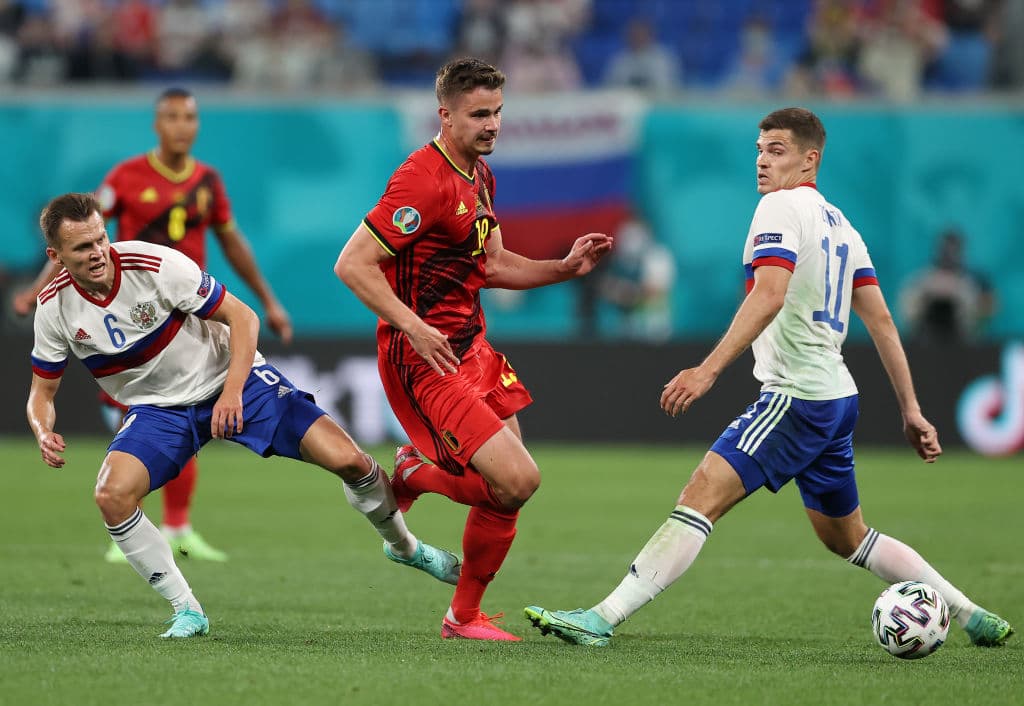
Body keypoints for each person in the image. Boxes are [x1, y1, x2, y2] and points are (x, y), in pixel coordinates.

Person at [524, 107, 1014, 649]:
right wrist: (911, 408)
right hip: (837, 399)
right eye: (759, 148)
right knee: (847, 537)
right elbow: (882, 322)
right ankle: (969, 614)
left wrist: (706, 371)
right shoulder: (842, 227)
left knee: (701, 493)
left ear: (811, 160)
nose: (761, 160)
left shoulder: (779, 208)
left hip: (797, 398)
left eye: (776, 150)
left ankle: (602, 617)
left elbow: (770, 293)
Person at [27, 192, 460, 638]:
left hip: (235, 381)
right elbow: (42, 391)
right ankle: (187, 610)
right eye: (83, 247)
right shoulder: (54, 308)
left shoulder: (155, 266)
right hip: (160, 410)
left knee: (350, 461)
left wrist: (231, 393)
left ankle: (405, 547)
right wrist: (42, 429)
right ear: (55, 255)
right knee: (111, 495)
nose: (99, 253)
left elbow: (244, 318)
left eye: (101, 239)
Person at [334, 57, 612, 641]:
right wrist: (411, 325)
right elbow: (353, 264)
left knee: (508, 493)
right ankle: (414, 471)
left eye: (498, 112)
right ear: (445, 115)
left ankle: (462, 617)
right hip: (426, 359)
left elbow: (490, 264)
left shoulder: (479, 175)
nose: (492, 124)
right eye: (479, 114)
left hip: (472, 347)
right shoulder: (422, 180)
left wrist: (565, 267)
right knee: (519, 480)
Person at [15, 87, 292, 563]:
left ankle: (177, 526)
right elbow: (72, 244)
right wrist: (34, 289)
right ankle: (132, 522)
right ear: (156, 124)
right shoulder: (124, 178)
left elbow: (231, 242)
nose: (183, 125)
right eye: (172, 116)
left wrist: (269, 300)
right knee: (139, 419)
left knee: (175, 413)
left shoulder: (208, 180)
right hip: (125, 316)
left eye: (190, 116)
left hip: (188, 311)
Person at [899, 227, 996, 344]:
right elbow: (908, 314)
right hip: (924, 340)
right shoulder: (922, 281)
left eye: (954, 248)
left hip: (963, 342)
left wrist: (959, 296)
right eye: (946, 248)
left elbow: (986, 315)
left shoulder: (975, 283)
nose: (950, 253)